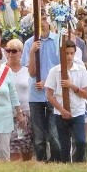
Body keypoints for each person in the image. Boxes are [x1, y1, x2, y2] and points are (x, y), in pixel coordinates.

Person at [23, 15, 63, 162]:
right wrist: (33, 52)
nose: (42, 24)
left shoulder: (57, 40)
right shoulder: (29, 43)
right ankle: (41, 159)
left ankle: (56, 160)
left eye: (45, 20)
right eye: (39, 22)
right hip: (36, 95)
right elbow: (32, 72)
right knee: (38, 133)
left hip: (53, 93)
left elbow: (61, 68)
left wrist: (47, 82)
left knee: (54, 131)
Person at [46, 41, 87, 163]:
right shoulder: (55, 71)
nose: (69, 56)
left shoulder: (81, 70)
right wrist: (61, 110)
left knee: (80, 141)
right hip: (60, 113)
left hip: (78, 111)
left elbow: (86, 94)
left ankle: (78, 164)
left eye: (71, 53)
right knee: (64, 144)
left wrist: (72, 86)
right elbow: (49, 95)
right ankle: (66, 166)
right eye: (66, 53)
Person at [5, 38, 33, 161]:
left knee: (26, 146)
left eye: (14, 51)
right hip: (8, 113)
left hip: (26, 112)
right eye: (8, 50)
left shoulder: (27, 71)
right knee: (12, 146)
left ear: (21, 52)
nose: (11, 54)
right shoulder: (2, 70)